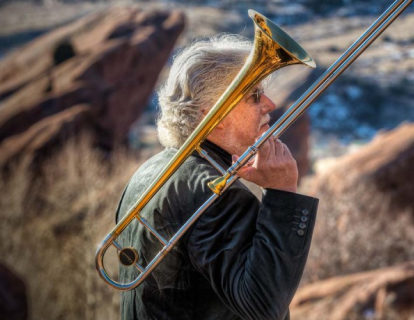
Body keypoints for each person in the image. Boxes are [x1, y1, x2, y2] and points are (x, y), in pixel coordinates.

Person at [117, 35, 319, 320]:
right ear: (214, 113)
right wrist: (282, 193)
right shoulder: (216, 196)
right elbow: (263, 307)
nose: (270, 104)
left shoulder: (149, 171)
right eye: (255, 96)